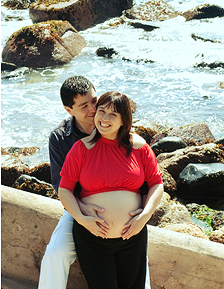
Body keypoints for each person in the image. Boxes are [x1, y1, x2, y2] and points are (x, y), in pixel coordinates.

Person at [38, 76, 152, 289]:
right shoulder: (61, 138)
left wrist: (142, 212)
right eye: (83, 106)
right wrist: (82, 211)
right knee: (56, 252)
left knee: (140, 256)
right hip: (77, 207)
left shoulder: (116, 128)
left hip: (124, 224)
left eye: (94, 101)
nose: (93, 109)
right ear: (69, 110)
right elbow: (60, 186)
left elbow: (146, 177)